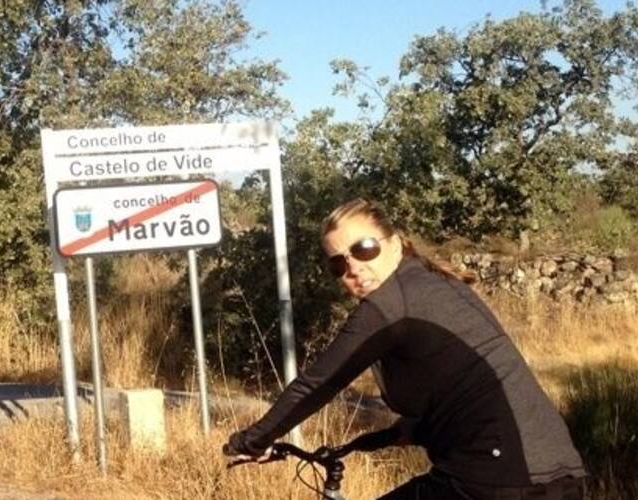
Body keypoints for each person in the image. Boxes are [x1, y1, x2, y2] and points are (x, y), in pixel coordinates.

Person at [225, 198, 586, 499]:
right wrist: (406, 431)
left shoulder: (389, 304)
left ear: (395, 244)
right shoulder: (436, 284)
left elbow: (318, 383)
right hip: (559, 473)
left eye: (364, 249)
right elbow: (464, 382)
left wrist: (253, 440)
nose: (353, 268)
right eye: (338, 263)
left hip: (498, 478)